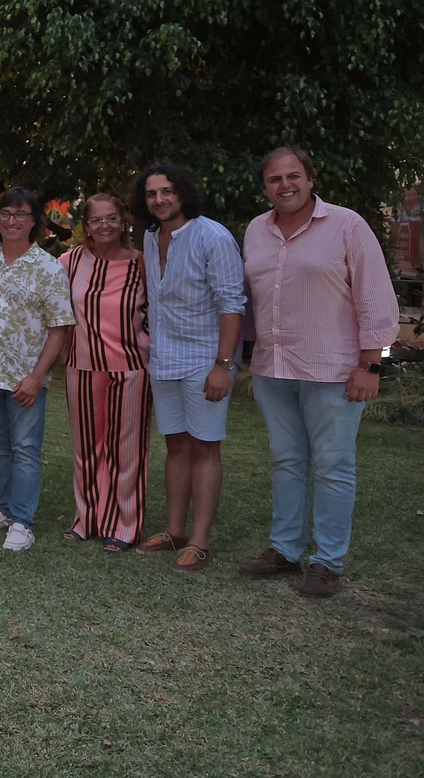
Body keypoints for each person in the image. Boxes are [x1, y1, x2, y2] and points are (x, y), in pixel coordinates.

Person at [238, 148, 400, 597]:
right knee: (286, 462)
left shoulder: (347, 225)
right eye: (275, 179)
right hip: (273, 368)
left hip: (334, 370)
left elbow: (375, 297)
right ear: (265, 187)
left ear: (310, 179)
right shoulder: (256, 230)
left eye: (294, 176)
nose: (285, 185)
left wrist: (371, 364)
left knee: (333, 466)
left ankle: (327, 561)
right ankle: (285, 549)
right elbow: (250, 297)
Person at [130, 163, 244, 573]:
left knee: (205, 447)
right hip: (164, 359)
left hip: (205, 361)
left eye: (167, 191)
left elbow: (232, 304)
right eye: (151, 193)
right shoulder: (149, 236)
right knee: (176, 446)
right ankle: (175, 531)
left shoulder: (213, 237)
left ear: (183, 193)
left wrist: (223, 366)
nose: (159, 199)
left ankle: (200, 541)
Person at [0, 187, 74, 552]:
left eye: (21, 214)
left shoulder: (48, 267)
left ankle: (23, 522)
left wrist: (38, 376)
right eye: (6, 214)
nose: (12, 221)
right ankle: (3, 509)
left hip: (25, 377)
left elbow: (59, 327)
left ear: (34, 221)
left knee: (25, 448)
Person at [57, 193, 151, 551]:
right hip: (82, 366)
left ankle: (125, 524)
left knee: (126, 450)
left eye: (111, 218)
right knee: (86, 448)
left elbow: (156, 312)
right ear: (86, 225)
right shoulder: (69, 262)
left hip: (130, 368)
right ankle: (88, 518)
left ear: (123, 220)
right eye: (97, 219)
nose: (105, 225)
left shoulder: (141, 263)